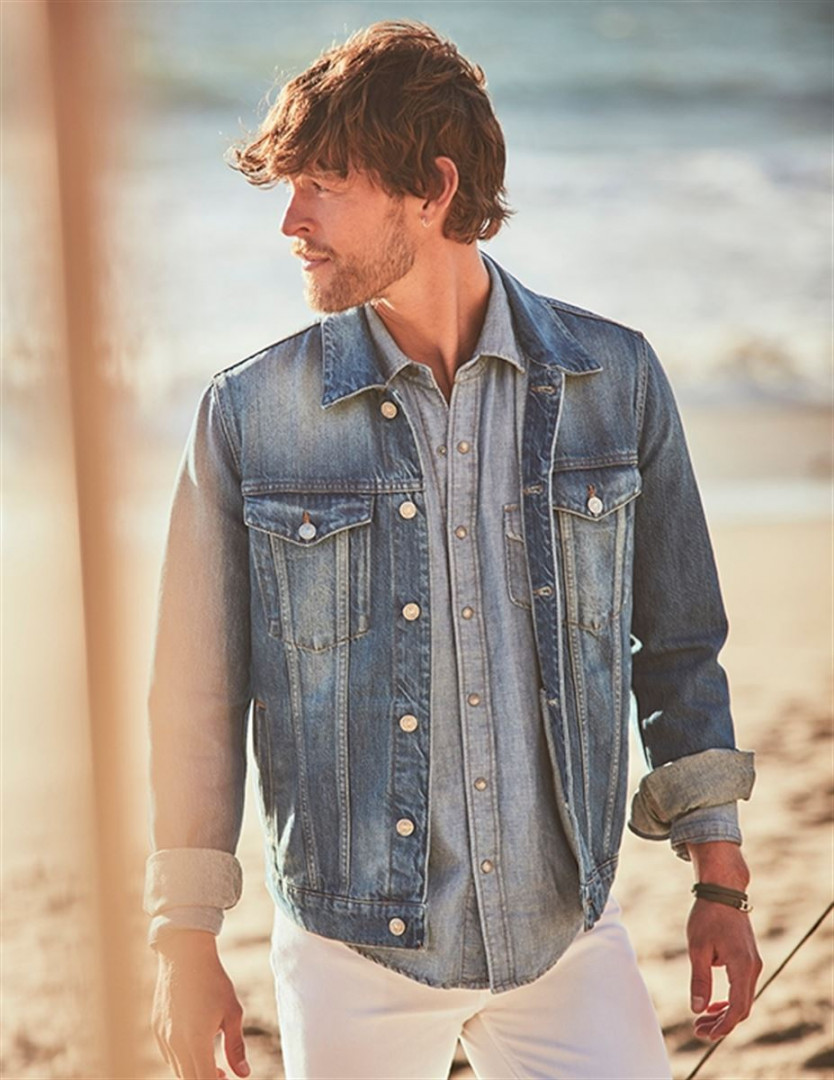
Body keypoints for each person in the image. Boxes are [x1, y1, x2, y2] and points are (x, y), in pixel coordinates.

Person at [145, 21, 761, 1080]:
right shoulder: (250, 416)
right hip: (351, 953)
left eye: (324, 185)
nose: (291, 222)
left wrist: (720, 877)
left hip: (565, 935)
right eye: (290, 189)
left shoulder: (615, 383)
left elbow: (677, 644)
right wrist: (183, 938)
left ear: (432, 189)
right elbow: (197, 696)